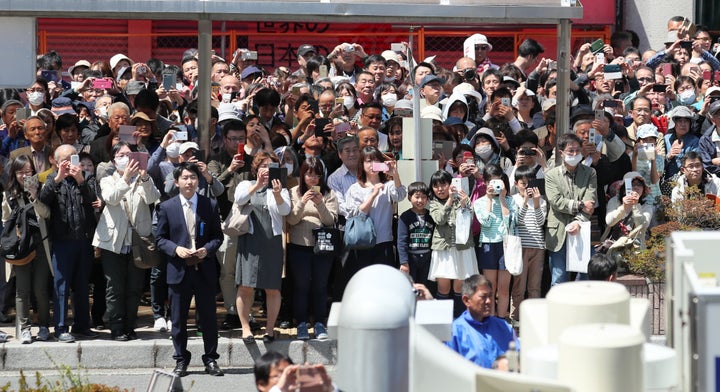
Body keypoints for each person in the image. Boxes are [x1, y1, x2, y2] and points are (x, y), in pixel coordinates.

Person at [156, 162, 224, 377]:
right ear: (176, 182)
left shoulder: (209, 205)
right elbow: (159, 238)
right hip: (179, 269)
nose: (189, 181)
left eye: (193, 177)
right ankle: (181, 359)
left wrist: (208, 250)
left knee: (208, 317)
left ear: (198, 180)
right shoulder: (167, 207)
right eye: (185, 177)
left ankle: (211, 359)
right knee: (178, 318)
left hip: (204, 268)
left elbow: (218, 237)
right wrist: (176, 249)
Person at [92, 141, 160, 341]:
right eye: (121, 155)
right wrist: (125, 177)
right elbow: (111, 198)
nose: (126, 158)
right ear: (114, 160)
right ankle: (116, 326)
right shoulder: (108, 178)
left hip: (138, 241)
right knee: (115, 287)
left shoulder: (142, 178)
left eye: (130, 154)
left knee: (134, 287)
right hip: (113, 241)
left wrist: (144, 177)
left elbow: (153, 198)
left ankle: (130, 325)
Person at [39, 144, 99, 343]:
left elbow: (93, 199)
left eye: (73, 158)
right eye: (65, 159)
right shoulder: (52, 179)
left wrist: (80, 178)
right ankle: (61, 327)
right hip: (62, 241)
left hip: (84, 239)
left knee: (82, 285)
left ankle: (82, 325)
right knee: (61, 286)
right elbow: (43, 199)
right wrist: (59, 178)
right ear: (55, 161)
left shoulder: (87, 177)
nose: (70, 162)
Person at [234, 151, 291, 344]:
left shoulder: (281, 189)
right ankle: (245, 328)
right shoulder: (246, 184)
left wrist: (277, 194)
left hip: (272, 241)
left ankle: (269, 329)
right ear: (256, 168)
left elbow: (286, 211)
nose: (267, 170)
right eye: (263, 166)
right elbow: (239, 199)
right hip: (250, 240)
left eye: (271, 166)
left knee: (272, 288)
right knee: (245, 286)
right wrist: (257, 186)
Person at [286, 157, 338, 341]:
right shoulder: (293, 192)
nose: (313, 178)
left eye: (317, 174)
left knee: (320, 285)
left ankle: (319, 323)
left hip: (322, 247)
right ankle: (301, 323)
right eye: (309, 174)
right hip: (299, 246)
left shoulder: (329, 193)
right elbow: (291, 220)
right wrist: (302, 201)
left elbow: (330, 220)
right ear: (303, 174)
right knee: (301, 286)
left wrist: (320, 203)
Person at [2, 155, 52, 343]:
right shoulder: (9, 193)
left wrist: (34, 196)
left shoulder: (41, 189)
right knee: (21, 290)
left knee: (40, 289)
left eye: (28, 171)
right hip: (21, 246)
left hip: (40, 243)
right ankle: (24, 328)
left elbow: (46, 214)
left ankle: (44, 325)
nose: (24, 175)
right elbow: (5, 219)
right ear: (14, 174)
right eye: (20, 172)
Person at [342, 147, 406, 292]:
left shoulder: (388, 186)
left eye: (377, 160)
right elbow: (353, 213)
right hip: (363, 242)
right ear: (362, 164)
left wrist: (394, 174)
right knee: (364, 283)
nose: (373, 164)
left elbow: (401, 195)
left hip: (384, 242)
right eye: (368, 160)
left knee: (384, 283)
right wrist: (373, 193)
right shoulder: (355, 188)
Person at [545, 134, 597, 286]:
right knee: (558, 277)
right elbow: (556, 202)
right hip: (558, 231)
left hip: (581, 229)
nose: (574, 154)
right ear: (561, 153)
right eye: (570, 151)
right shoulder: (551, 175)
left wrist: (578, 222)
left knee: (586, 276)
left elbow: (591, 201)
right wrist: (580, 205)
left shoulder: (590, 173)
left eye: (577, 150)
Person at [428, 170, 478, 317]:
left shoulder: (463, 198)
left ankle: (460, 320)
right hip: (444, 248)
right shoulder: (433, 203)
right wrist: (450, 200)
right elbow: (439, 219)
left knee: (459, 287)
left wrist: (464, 204)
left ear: (451, 184)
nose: (440, 189)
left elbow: (470, 219)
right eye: (436, 186)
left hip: (462, 248)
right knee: (443, 288)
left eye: (443, 184)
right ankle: (442, 320)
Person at [446, 274, 518, 369]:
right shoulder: (455, 332)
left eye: (490, 296)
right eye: (483, 297)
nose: (488, 301)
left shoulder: (503, 327)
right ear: (466, 300)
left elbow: (520, 357)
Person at [474, 164, 516, 319]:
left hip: (506, 245)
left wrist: (503, 198)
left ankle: (502, 319)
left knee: (504, 289)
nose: (495, 185)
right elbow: (485, 222)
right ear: (485, 182)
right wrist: (490, 200)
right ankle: (490, 320)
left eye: (497, 181)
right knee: (489, 288)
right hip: (488, 244)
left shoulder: (510, 201)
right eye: (491, 181)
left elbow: (510, 223)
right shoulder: (479, 202)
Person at [509, 165, 546, 322]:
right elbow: (518, 221)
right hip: (520, 248)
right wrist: (525, 201)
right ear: (516, 184)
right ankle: (514, 318)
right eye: (523, 183)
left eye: (530, 182)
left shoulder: (541, 201)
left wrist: (536, 203)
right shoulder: (514, 199)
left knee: (534, 287)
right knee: (519, 286)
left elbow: (540, 222)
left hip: (538, 247)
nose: (527, 186)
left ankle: (534, 319)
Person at [397, 181, 436, 295]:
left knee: (426, 286)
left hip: (428, 257)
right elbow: (401, 241)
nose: (420, 200)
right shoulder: (405, 217)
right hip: (411, 257)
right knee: (411, 287)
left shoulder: (431, 215)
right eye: (417, 197)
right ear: (409, 197)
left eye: (424, 197)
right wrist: (404, 262)